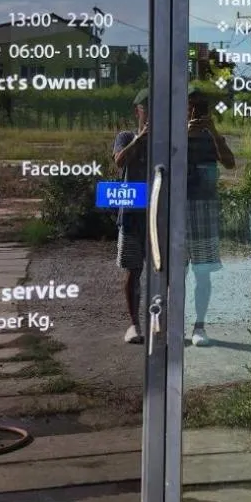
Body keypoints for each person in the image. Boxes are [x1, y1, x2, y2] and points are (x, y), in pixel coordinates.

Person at [186, 88, 235, 346]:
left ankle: (199, 325)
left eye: (200, 108)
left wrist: (214, 132)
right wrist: (184, 132)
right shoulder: (174, 134)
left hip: (204, 208)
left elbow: (230, 163)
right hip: (178, 208)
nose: (195, 113)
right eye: (191, 107)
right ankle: (175, 324)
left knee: (203, 272)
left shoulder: (211, 137)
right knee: (175, 273)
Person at [113, 88, 149, 344]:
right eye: (146, 109)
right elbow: (119, 161)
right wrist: (140, 139)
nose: (151, 114)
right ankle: (134, 324)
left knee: (164, 271)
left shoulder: (165, 138)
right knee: (133, 269)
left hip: (158, 212)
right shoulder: (126, 136)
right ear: (137, 111)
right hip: (132, 212)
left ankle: (164, 322)